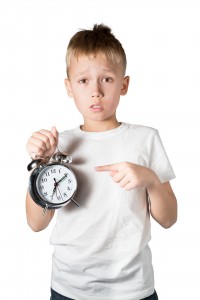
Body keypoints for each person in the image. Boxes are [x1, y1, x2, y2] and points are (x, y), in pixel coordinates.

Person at [26, 24, 177, 300]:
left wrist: (150, 179)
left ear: (124, 84)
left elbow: (168, 219)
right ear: (69, 87)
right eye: (83, 81)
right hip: (69, 288)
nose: (95, 91)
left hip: (133, 289)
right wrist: (41, 165)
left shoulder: (146, 139)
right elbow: (36, 224)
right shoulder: (58, 144)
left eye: (106, 79)